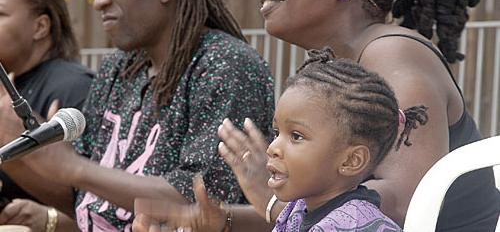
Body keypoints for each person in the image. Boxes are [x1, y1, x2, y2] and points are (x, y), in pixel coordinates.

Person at [135, 0, 500, 231]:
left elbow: (405, 205)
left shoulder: (393, 53)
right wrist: (222, 220)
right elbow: (316, 211)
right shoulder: (339, 67)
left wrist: (275, 191)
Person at [0, 0, 274, 231]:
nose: (99, 0)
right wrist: (29, 159)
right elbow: (87, 200)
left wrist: (71, 167)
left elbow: (203, 202)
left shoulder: (226, 66)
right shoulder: (118, 69)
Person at [134, 48, 429, 232]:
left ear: (351, 160)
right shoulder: (299, 211)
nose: (273, 148)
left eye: (296, 136)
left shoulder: (350, 224)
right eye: (277, 133)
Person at [0, 0, 94, 230]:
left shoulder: (74, 88)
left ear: (40, 26)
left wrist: (50, 220)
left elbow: (107, 207)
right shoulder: (9, 81)